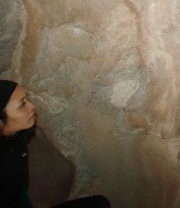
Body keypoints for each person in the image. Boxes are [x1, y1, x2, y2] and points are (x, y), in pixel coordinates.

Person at [1, 80, 110, 208]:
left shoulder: (18, 137)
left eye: (27, 100)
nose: (32, 107)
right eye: (22, 104)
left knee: (99, 203)